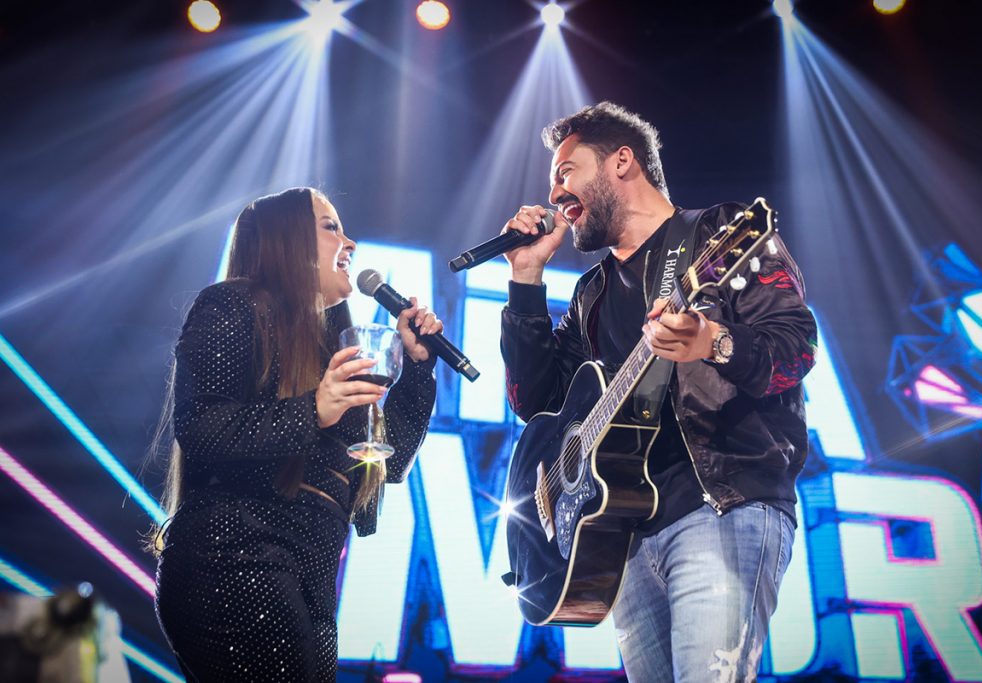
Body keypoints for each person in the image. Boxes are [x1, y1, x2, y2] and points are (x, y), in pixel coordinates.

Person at [500, 102, 816, 682]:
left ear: (622, 162)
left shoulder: (718, 234)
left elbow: (795, 351)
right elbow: (534, 405)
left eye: (566, 172)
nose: (555, 193)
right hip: (620, 532)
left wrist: (713, 341)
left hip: (718, 503)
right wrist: (525, 279)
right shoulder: (589, 295)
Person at [152, 187, 439, 682]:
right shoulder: (231, 305)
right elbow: (202, 428)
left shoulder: (331, 347)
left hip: (313, 574)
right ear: (287, 240)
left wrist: (417, 371)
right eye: (331, 228)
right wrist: (315, 409)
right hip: (236, 555)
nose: (350, 243)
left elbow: (383, 462)